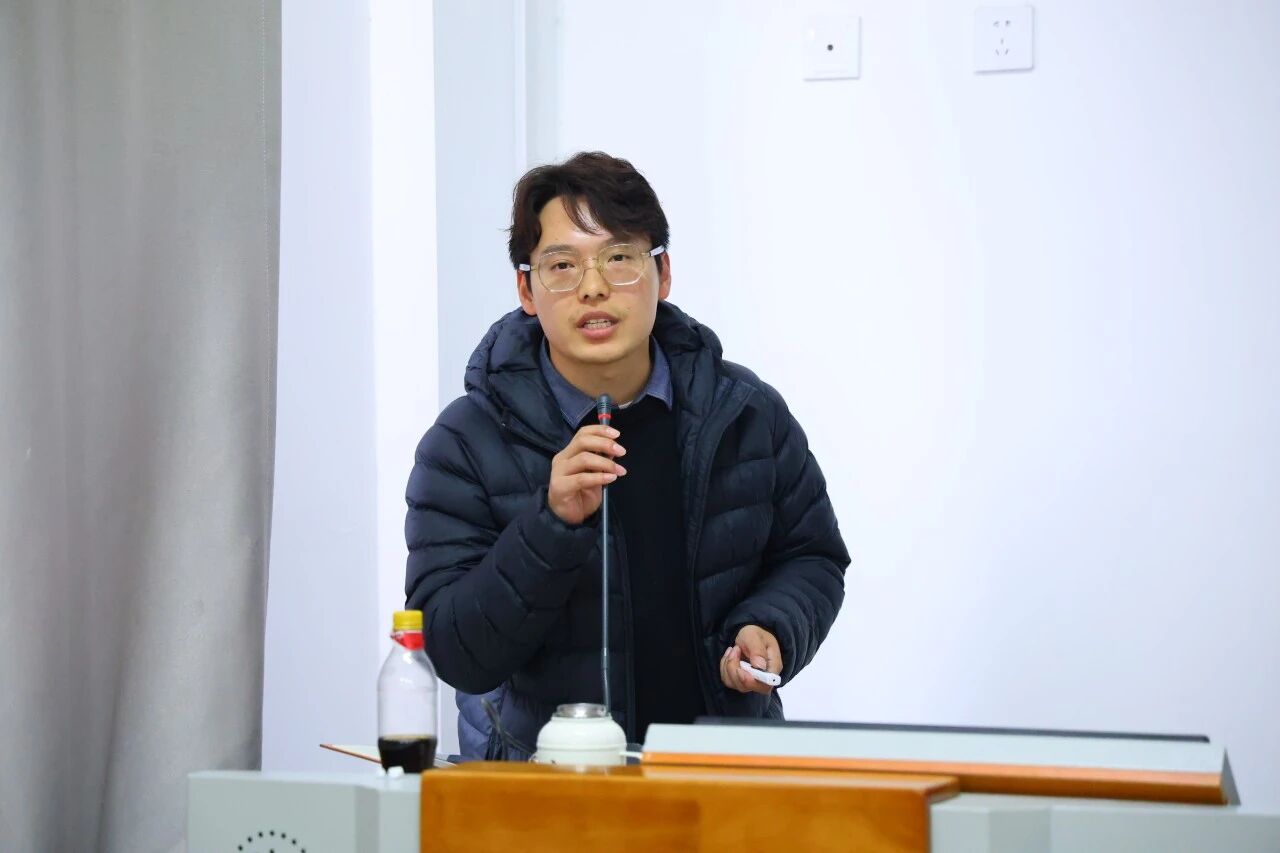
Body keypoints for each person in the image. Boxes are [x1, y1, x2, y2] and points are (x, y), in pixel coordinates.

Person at [405, 151, 848, 759]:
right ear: (526, 289)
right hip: (549, 782)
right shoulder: (464, 443)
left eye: (618, 258)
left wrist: (770, 625)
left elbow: (812, 556)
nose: (593, 287)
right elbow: (455, 653)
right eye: (562, 265)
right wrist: (550, 523)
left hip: (721, 773)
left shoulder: (745, 413)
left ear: (662, 273)